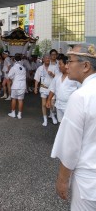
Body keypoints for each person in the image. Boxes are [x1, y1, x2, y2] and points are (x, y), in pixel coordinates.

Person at [51, 43, 96, 210]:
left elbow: (70, 146)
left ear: (85, 66)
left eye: (70, 60)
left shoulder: (81, 96)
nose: (67, 65)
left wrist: (63, 180)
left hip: (89, 181)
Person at [46, 55, 80, 122]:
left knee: (70, 124)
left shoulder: (75, 77)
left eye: (60, 64)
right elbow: (52, 89)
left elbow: (80, 91)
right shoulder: (57, 76)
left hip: (70, 106)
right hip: (59, 105)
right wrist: (48, 100)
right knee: (60, 123)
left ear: (66, 64)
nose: (58, 66)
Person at [34, 53, 58, 126]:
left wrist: (53, 75)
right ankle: (45, 119)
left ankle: (52, 115)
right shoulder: (40, 68)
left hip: (52, 89)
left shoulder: (54, 67)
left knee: (52, 104)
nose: (47, 59)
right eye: (46, 58)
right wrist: (35, 88)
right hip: (43, 88)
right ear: (43, 59)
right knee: (44, 104)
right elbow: (37, 79)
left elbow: (58, 78)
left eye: (48, 58)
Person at [7, 54, 26, 119]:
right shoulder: (23, 68)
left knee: (14, 99)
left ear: (14, 60)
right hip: (22, 86)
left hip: (15, 85)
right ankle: (19, 114)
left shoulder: (14, 67)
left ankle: (13, 113)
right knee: (20, 100)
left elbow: (9, 76)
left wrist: (13, 77)